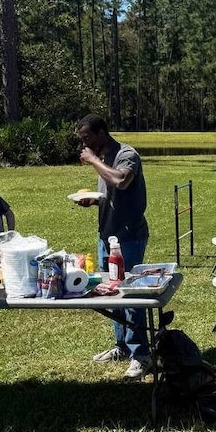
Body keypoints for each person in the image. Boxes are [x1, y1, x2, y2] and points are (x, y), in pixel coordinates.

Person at [74, 113, 151, 380]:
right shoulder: (104, 159)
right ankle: (121, 346)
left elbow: (121, 181)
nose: (85, 144)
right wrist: (93, 201)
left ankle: (141, 354)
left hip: (129, 235)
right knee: (110, 292)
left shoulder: (126, 155)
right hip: (106, 235)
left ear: (102, 133)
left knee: (130, 295)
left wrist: (93, 160)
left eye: (87, 138)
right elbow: (111, 194)